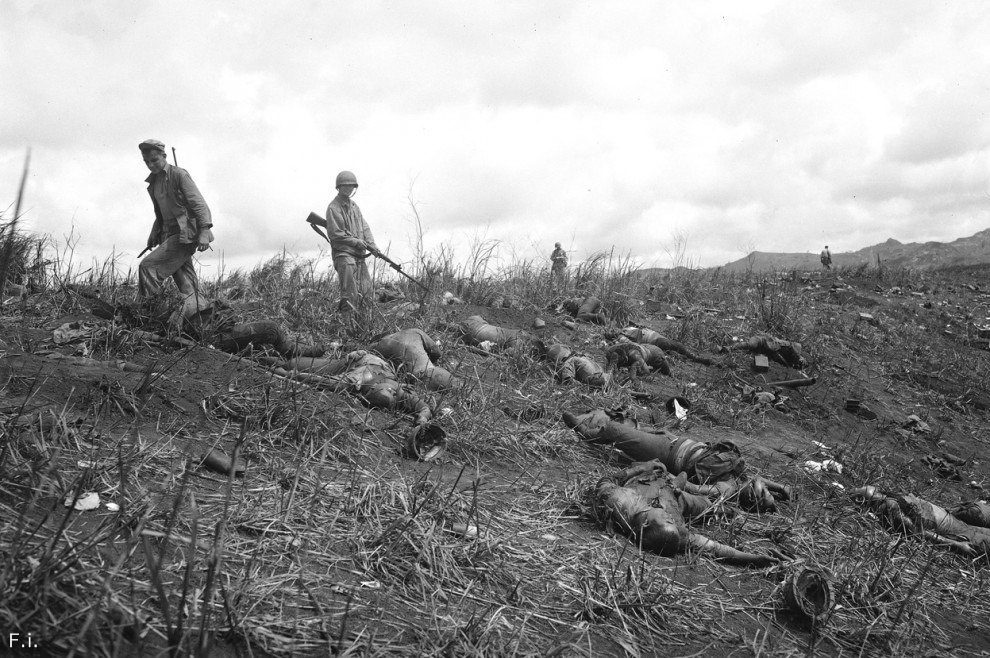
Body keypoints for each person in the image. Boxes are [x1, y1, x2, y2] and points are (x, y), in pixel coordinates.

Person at [595, 460, 778, 566]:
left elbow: (604, 481)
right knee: (717, 508)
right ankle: (727, 506)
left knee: (681, 475)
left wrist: (640, 468)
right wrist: (754, 559)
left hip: (649, 481)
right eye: (670, 522)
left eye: (666, 520)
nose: (670, 520)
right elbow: (714, 548)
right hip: (679, 499)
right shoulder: (675, 534)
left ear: (645, 523)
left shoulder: (620, 502)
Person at [562, 408, 745, 484]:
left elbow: (687, 484)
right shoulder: (738, 468)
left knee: (614, 430)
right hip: (674, 440)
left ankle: (583, 431)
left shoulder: (725, 485)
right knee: (633, 426)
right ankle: (597, 425)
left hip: (666, 453)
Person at [137, 139, 213, 299]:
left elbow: (199, 204)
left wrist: (204, 231)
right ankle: (200, 315)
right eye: (146, 162)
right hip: (168, 234)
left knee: (148, 267)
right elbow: (162, 212)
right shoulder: (154, 182)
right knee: (186, 282)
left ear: (164, 156)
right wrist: (154, 233)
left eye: (154, 160)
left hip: (185, 234)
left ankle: (150, 314)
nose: (150, 165)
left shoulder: (179, 174)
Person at [851, 486, 990, 557]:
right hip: (958, 534)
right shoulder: (891, 508)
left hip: (959, 523)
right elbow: (918, 532)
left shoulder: (893, 500)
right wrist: (957, 545)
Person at [325, 170, 379, 312]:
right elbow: (336, 234)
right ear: (339, 187)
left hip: (359, 255)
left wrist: (372, 246)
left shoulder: (355, 207)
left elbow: (364, 227)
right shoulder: (333, 208)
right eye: (345, 186)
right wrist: (356, 242)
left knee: (367, 292)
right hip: (344, 255)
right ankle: (345, 324)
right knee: (350, 294)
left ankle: (362, 325)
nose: (348, 189)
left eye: (351, 186)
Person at [372, 328, 462, 390]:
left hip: (414, 382)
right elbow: (437, 352)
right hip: (431, 372)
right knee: (460, 390)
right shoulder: (414, 332)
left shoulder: (378, 347)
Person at [615, 326, 714, 366]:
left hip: (656, 341)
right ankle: (697, 358)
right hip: (655, 341)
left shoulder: (627, 329)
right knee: (677, 346)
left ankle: (688, 358)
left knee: (672, 351)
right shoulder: (623, 334)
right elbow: (632, 343)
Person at [604, 341, 672, 382]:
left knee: (665, 370)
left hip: (653, 351)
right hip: (641, 346)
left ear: (624, 357)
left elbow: (646, 372)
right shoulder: (609, 353)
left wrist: (629, 374)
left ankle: (670, 374)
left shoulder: (634, 355)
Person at [723, 335, 805, 369]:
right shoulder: (783, 345)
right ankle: (730, 348)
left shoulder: (788, 355)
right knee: (750, 345)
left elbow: (795, 360)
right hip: (759, 341)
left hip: (761, 350)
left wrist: (797, 364)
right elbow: (776, 353)